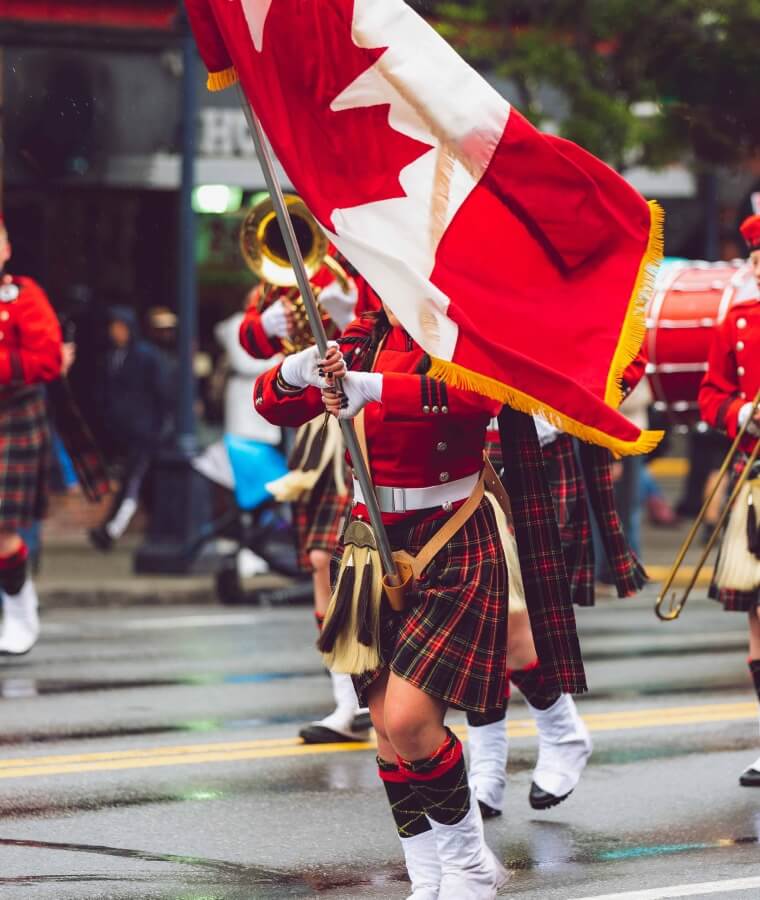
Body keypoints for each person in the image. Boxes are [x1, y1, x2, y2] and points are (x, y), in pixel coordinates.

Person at [253, 304, 586, 899]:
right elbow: (270, 404)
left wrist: (371, 388)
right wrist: (301, 370)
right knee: (385, 727)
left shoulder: (464, 323)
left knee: (410, 720)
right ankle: (428, 875)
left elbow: (475, 397)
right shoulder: (367, 331)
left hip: (449, 532)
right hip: (370, 535)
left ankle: (469, 865)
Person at [467, 406, 646, 817]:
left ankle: (560, 731)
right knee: (477, 622)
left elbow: (616, 360)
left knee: (513, 622)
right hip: (458, 454)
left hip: (537, 456)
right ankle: (487, 769)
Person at [240, 258, 377, 744]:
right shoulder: (288, 271)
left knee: (353, 562)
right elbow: (250, 342)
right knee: (322, 559)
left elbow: (384, 323)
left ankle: (372, 693)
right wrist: (267, 324)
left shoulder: (360, 256)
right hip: (315, 427)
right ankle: (347, 699)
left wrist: (348, 309)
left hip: (362, 414)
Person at [698, 213, 760, 787]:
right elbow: (711, 394)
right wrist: (741, 412)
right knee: (758, 617)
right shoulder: (738, 320)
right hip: (753, 478)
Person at [0, 217, 63, 654]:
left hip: (14, 415)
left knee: (2, 530)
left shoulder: (24, 295)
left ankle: (20, 611)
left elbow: (48, 359)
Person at [89, 307, 173, 550]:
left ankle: (111, 530)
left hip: (145, 430)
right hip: (124, 431)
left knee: (133, 481)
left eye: (119, 327)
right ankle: (158, 530)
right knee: (144, 484)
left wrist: (159, 425)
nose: (114, 332)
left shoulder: (146, 355)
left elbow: (162, 392)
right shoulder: (112, 356)